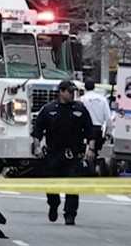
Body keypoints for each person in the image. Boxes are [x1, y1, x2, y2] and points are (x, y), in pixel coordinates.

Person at [31, 79, 95, 225]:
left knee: (73, 185)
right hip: (54, 154)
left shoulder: (80, 109)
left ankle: (70, 214)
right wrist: (37, 146)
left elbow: (90, 131)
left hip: (73, 154)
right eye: (69, 91)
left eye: (73, 92)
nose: (72, 94)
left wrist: (91, 149)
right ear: (61, 92)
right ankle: (53, 204)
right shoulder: (49, 109)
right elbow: (37, 131)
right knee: (51, 185)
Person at [80, 78, 114, 175]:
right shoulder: (103, 100)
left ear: (85, 87)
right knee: (94, 153)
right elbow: (108, 118)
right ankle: (93, 170)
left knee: (85, 153)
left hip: (85, 130)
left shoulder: (83, 99)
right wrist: (108, 132)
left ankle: (88, 171)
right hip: (98, 129)